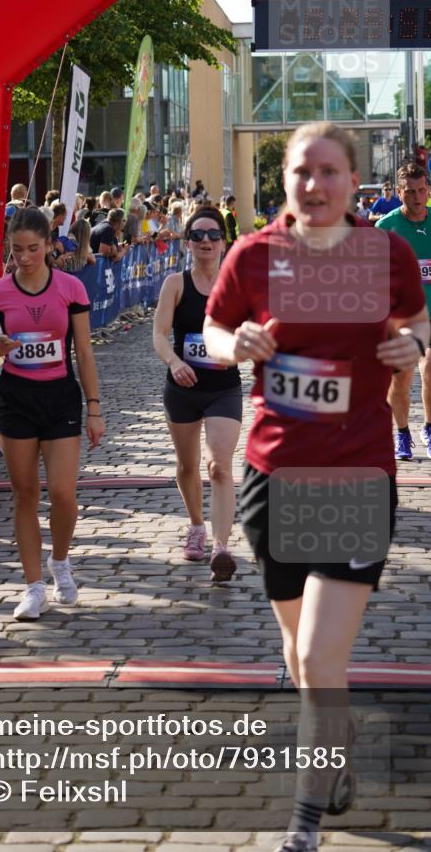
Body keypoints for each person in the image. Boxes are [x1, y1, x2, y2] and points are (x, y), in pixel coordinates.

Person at [203, 122, 429, 852]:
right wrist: (233, 345)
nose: (314, 184)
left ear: (353, 182)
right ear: (285, 181)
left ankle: (303, 820)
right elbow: (213, 328)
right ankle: (336, 744)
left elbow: (418, 319)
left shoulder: (385, 253)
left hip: (356, 473)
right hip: (273, 476)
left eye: (329, 171)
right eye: (302, 171)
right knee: (301, 660)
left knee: (323, 659)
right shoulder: (254, 254)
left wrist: (413, 344)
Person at [0, 207, 105, 620]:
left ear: (50, 245)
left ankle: (60, 561)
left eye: (33, 248)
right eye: (16, 250)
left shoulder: (70, 288)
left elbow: (83, 351)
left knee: (64, 494)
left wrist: (94, 408)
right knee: (25, 494)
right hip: (16, 400)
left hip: (60, 397)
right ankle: (33, 588)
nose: (24, 257)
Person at [153, 205, 241, 581]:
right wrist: (175, 362)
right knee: (188, 466)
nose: (206, 241)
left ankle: (221, 547)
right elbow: (159, 335)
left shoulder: (236, 286)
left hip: (224, 388)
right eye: (198, 235)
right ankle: (195, 525)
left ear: (223, 241)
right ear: (187, 242)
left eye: (213, 234)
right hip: (182, 389)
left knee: (219, 466)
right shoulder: (175, 284)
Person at [376, 162, 431, 460]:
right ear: (399, 192)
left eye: (422, 190)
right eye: (410, 192)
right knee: (401, 377)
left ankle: (430, 427)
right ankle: (402, 433)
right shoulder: (385, 227)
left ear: (428, 190)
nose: (417, 197)